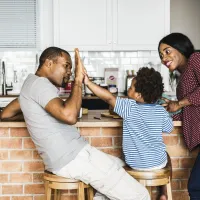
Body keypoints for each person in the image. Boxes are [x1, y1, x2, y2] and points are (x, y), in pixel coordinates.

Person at [0, 46, 150, 200]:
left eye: (71, 68)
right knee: (141, 196)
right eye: (66, 66)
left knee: (119, 164)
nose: (69, 72)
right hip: (73, 157)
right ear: (48, 63)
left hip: (70, 156)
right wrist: (78, 80)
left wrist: (35, 116)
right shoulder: (40, 85)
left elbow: (5, 114)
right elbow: (70, 116)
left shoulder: (31, 84)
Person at [83, 67, 173, 200]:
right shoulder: (161, 111)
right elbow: (169, 128)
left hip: (134, 164)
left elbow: (108, 98)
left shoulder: (128, 107)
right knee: (167, 156)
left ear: (138, 95)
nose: (128, 89)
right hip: (157, 164)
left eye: (131, 87)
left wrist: (88, 83)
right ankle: (164, 192)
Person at [158, 32, 200, 200]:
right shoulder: (182, 76)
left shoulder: (196, 58)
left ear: (181, 47)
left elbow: (186, 104)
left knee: (196, 187)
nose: (164, 58)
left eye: (167, 51)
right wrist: (165, 115)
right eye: (161, 55)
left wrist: (180, 103)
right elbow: (191, 111)